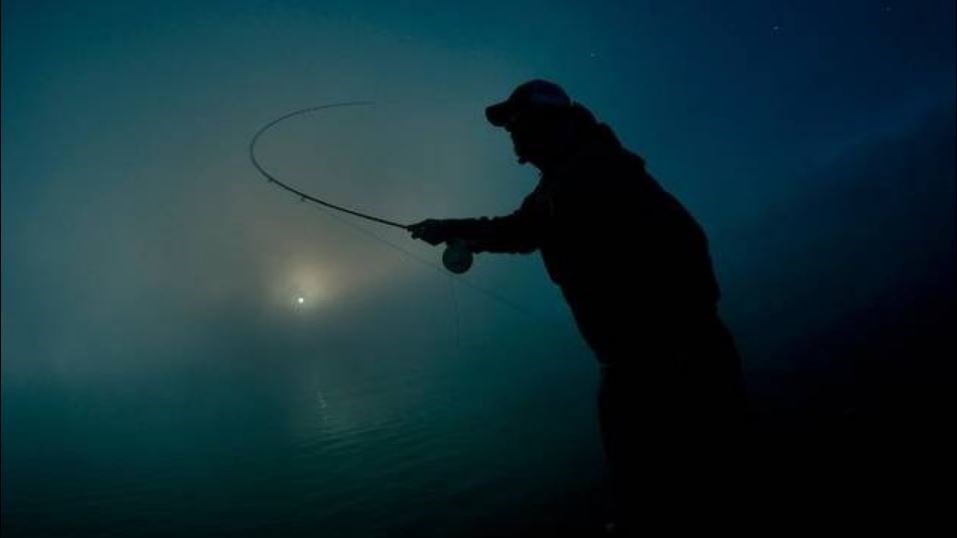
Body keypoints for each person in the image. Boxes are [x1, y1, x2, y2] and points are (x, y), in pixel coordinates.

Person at [409, 80, 747, 534]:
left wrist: (660, 338)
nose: (513, 137)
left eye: (518, 124)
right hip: (644, 362)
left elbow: (683, 246)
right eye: (510, 128)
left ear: (550, 123)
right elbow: (523, 229)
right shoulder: (563, 180)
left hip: (665, 363)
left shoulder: (593, 173)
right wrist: (451, 228)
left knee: (682, 490)